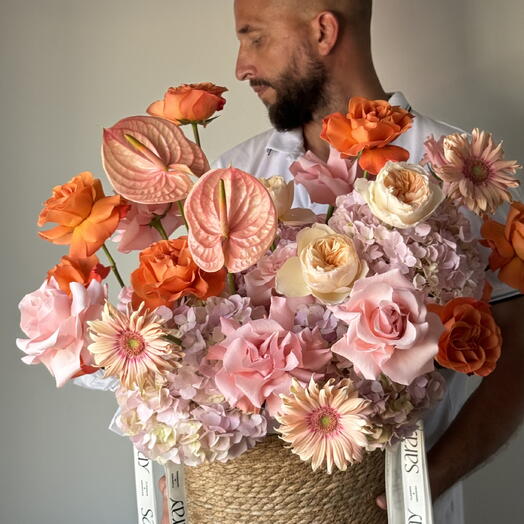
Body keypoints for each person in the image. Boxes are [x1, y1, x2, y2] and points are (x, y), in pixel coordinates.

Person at [157, 1, 524, 523]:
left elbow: (520, 343)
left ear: (324, 30)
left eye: (254, 37)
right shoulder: (232, 176)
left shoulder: (460, 166)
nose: (241, 66)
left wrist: (428, 479)